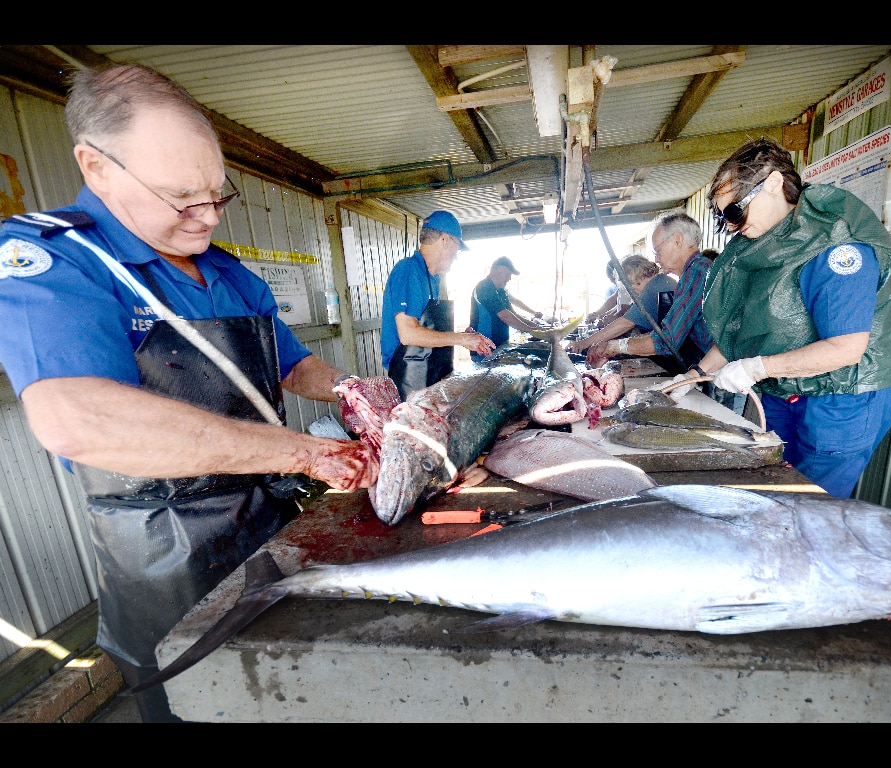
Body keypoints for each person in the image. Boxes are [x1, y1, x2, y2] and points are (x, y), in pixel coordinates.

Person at [0, 64, 377, 722]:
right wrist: (300, 453)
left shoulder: (225, 270)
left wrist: (348, 387)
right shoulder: (54, 262)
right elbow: (78, 420)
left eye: (216, 196)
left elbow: (291, 364)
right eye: (181, 199)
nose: (205, 217)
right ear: (97, 167)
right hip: (166, 560)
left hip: (271, 527)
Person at [684, 136, 891, 498]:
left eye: (735, 212)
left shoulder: (836, 246)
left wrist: (757, 368)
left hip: (842, 394)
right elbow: (736, 332)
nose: (732, 227)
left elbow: (846, 348)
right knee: (771, 481)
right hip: (784, 388)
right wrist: (691, 377)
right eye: (724, 218)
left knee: (808, 499)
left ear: (772, 183)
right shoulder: (759, 246)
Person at [380, 210, 494, 400]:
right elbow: (408, 334)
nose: (456, 256)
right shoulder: (409, 270)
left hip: (433, 377)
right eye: (457, 248)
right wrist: (461, 340)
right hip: (410, 382)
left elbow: (429, 329)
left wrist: (466, 336)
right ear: (445, 240)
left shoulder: (432, 278)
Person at [585, 212, 712, 377]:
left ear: (677, 241)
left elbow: (667, 340)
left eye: (658, 251)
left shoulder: (697, 273)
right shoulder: (694, 273)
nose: (656, 259)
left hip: (724, 372)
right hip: (710, 366)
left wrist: (613, 347)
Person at [568, 255, 675, 360]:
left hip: (674, 356)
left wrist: (584, 343)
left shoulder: (654, 287)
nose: (632, 292)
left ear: (632, 276)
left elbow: (625, 323)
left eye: (630, 287)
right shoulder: (662, 281)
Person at [469, 256, 544, 361]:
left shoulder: (500, 291)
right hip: (483, 350)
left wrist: (537, 328)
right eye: (509, 274)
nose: (509, 278)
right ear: (499, 269)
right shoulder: (484, 287)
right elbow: (505, 316)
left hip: (499, 347)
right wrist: (532, 331)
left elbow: (513, 314)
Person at [585, 260, 631, 328]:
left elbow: (625, 310)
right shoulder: (621, 288)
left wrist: (608, 318)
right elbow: (614, 301)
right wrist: (598, 315)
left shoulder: (630, 287)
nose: (611, 281)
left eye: (612, 278)